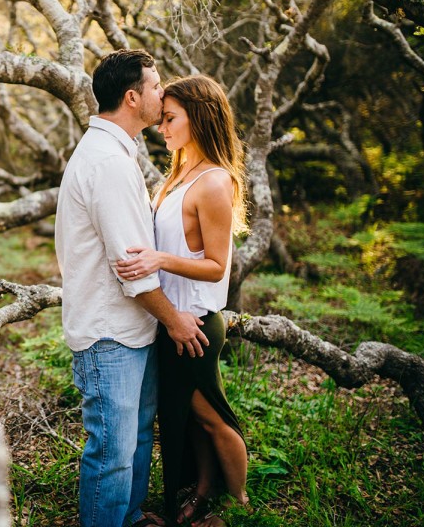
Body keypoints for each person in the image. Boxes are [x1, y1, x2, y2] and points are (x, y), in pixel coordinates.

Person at [55, 50, 209, 527]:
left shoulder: (119, 152)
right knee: (113, 452)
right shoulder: (107, 163)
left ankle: (131, 516)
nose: (162, 94)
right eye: (156, 85)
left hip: (132, 329)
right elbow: (131, 268)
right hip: (110, 335)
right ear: (132, 96)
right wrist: (175, 319)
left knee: (138, 435)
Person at [116, 75, 249, 527]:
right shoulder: (177, 175)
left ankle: (240, 501)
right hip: (173, 321)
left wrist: (160, 260)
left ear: (200, 117)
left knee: (210, 417)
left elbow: (217, 266)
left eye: (170, 118)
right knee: (188, 419)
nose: (162, 126)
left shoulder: (213, 182)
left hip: (196, 323)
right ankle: (205, 488)